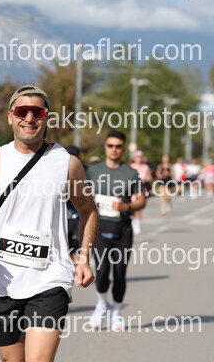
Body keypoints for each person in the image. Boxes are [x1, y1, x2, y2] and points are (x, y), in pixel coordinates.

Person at [0, 85, 98, 361]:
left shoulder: (67, 164)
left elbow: (89, 211)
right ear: (10, 117)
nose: (29, 118)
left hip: (50, 278)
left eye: (36, 112)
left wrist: (84, 257)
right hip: (3, 280)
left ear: (46, 117)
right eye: (22, 111)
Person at [87, 130, 146, 332]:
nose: (114, 149)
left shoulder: (131, 173)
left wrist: (126, 207)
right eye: (110, 145)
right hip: (100, 228)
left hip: (122, 230)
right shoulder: (93, 171)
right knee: (102, 271)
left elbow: (141, 200)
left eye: (118, 146)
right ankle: (101, 304)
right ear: (105, 147)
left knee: (120, 273)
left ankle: (117, 313)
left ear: (123, 148)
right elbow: (82, 195)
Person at [129, 150, 152, 234]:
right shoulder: (131, 166)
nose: (138, 159)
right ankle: (132, 223)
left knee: (138, 208)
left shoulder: (145, 167)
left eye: (140, 157)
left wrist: (145, 178)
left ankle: (137, 225)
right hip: (132, 189)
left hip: (141, 189)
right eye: (137, 157)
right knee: (131, 208)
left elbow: (150, 178)